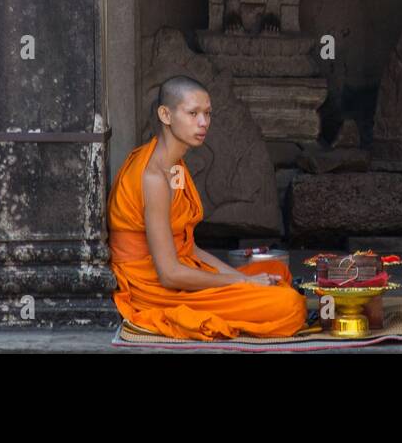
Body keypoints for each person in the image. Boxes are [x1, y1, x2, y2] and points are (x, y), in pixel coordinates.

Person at [107, 75, 308, 339]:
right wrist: (243, 282)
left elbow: (188, 247)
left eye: (207, 114)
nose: (203, 123)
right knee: (289, 305)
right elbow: (168, 275)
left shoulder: (175, 165)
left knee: (277, 273)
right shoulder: (153, 177)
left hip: (181, 268)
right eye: (193, 113)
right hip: (155, 288)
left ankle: (247, 298)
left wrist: (241, 278)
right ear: (165, 115)